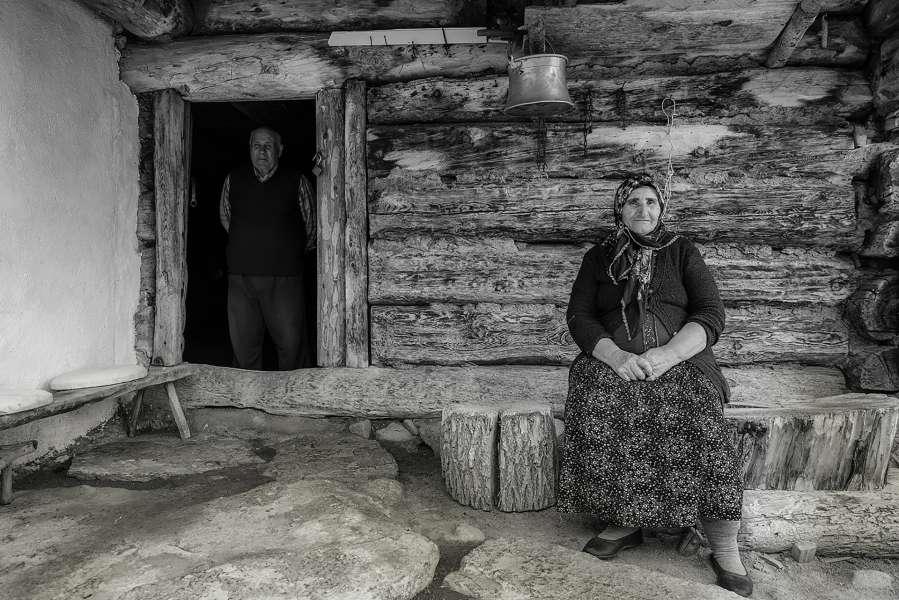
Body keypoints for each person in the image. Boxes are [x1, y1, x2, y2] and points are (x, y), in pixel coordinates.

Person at [557, 173, 752, 597]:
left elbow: (711, 313)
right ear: (620, 210)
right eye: (633, 202)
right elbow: (580, 316)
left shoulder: (682, 251)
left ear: (661, 208)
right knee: (598, 397)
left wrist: (668, 356)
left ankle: (723, 543)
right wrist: (617, 357)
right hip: (615, 363)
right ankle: (625, 521)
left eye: (651, 202)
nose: (643, 209)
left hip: (682, 360)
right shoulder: (598, 257)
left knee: (699, 416)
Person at [219, 126, 316, 370]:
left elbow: (311, 226)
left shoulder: (297, 181)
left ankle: (294, 392)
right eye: (256, 146)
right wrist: (251, 242)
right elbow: (226, 218)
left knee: (291, 346)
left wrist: (287, 250)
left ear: (280, 150)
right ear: (249, 149)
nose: (262, 151)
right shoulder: (233, 179)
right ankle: (247, 393)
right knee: (244, 347)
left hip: (284, 277)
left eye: (268, 146)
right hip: (242, 277)